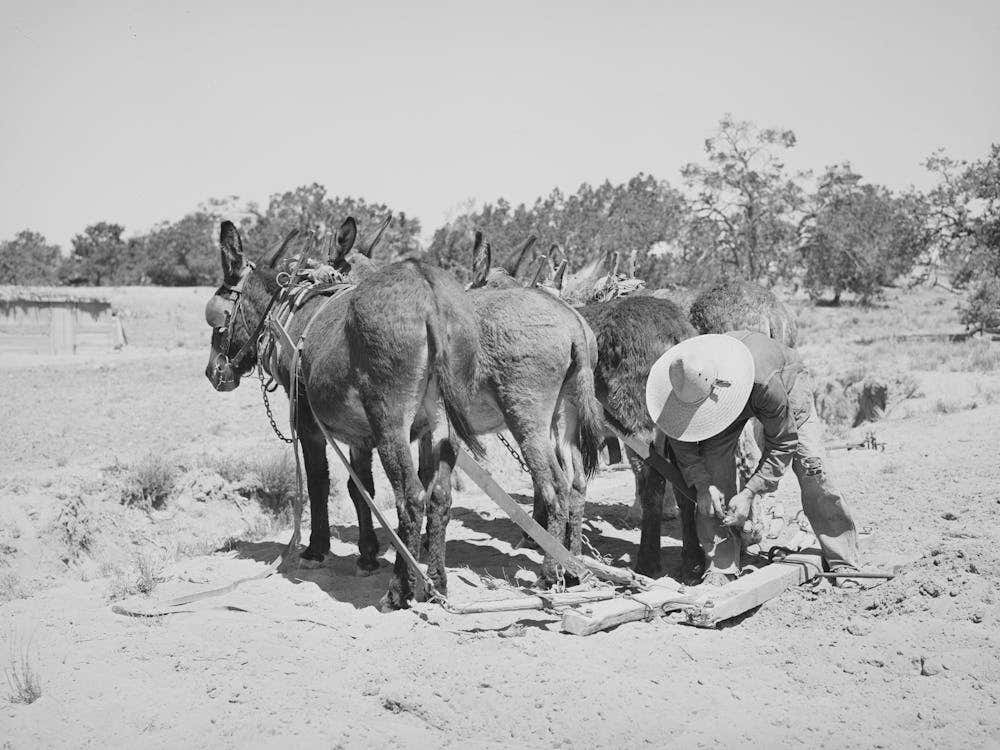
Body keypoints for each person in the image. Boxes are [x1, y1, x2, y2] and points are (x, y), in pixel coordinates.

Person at [645, 330, 862, 587]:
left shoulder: (766, 384)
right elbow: (682, 444)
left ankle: (842, 561)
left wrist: (749, 493)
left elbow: (783, 442)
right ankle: (722, 566)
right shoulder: (681, 385)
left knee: (811, 466)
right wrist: (703, 486)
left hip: (782, 384)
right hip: (717, 398)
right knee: (713, 473)